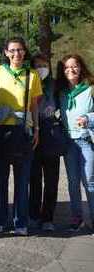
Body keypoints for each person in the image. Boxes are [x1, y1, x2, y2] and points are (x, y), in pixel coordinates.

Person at [0, 37, 42, 236]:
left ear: (24, 52)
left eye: (20, 50)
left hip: (23, 131)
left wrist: (37, 129)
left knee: (22, 181)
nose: (16, 54)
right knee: (0, 180)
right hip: (2, 131)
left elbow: (34, 105)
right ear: (5, 52)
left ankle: (21, 221)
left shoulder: (32, 74)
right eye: (12, 50)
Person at [55, 54, 94, 231]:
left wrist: (88, 118)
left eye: (75, 66)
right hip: (69, 143)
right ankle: (76, 218)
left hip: (87, 141)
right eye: (66, 67)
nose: (71, 70)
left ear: (81, 67)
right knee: (72, 181)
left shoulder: (90, 88)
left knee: (90, 181)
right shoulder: (61, 93)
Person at [29, 54, 60, 231]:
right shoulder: (29, 82)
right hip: (33, 130)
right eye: (38, 65)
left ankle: (48, 217)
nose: (42, 68)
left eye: (44, 65)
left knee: (51, 179)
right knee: (33, 178)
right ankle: (33, 215)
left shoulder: (54, 84)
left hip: (50, 131)